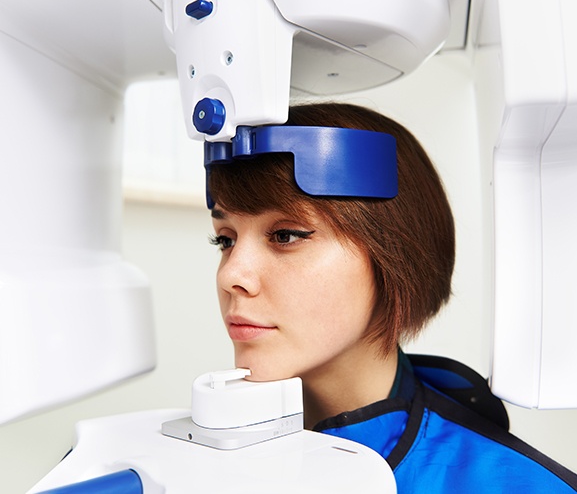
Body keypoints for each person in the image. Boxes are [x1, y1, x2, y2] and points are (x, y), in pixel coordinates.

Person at [206, 102, 577, 492]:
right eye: (225, 239)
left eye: (286, 235)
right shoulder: (197, 462)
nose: (231, 275)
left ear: (394, 256)